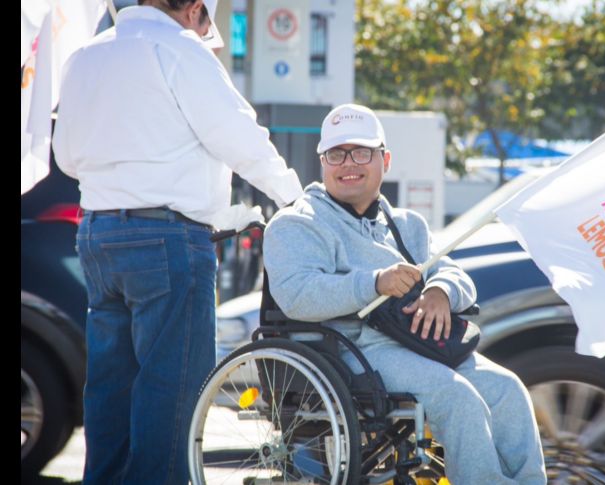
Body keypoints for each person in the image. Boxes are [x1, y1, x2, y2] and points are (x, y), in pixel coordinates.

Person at [51, 0, 303, 483]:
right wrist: (296, 200)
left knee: (110, 392)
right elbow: (240, 138)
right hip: (167, 238)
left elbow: (66, 158)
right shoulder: (181, 49)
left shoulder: (84, 56)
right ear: (193, 10)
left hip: (99, 234)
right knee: (171, 395)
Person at [262, 103, 546, 484]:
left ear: (385, 160)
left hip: (421, 344)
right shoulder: (296, 223)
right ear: (322, 163)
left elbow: (451, 271)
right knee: (457, 397)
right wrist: (374, 282)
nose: (349, 163)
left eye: (362, 152)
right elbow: (298, 295)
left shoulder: (407, 225)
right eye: (336, 154)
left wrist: (442, 292)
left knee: (509, 391)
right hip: (354, 351)